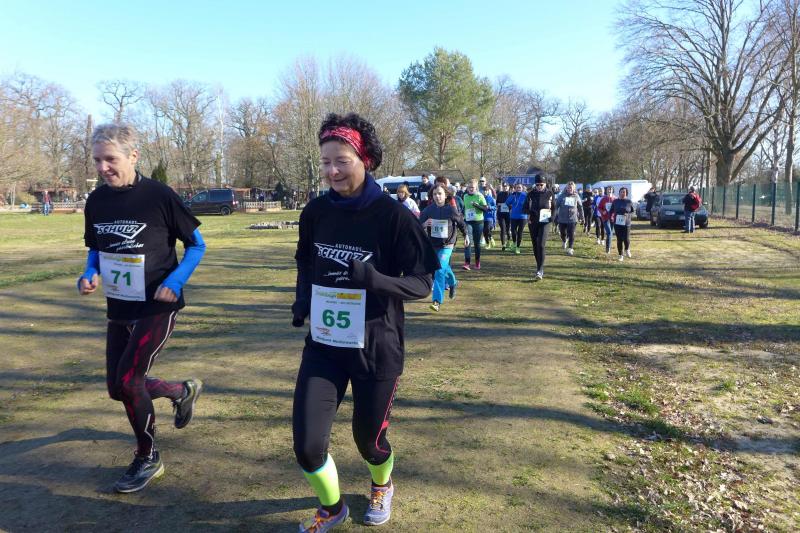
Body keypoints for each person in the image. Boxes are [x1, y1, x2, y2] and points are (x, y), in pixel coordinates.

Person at [291, 112, 439, 531]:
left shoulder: (393, 216)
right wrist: (302, 299)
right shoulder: (316, 212)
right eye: (325, 162)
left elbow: (423, 283)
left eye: (342, 161)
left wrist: (375, 280)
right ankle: (332, 508)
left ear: (365, 160)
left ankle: (382, 483)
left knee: (369, 442)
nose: (333, 171)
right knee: (307, 446)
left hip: (376, 347)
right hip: (325, 346)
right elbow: (305, 260)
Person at [78, 123, 205, 493]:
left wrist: (175, 281)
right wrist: (89, 273)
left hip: (157, 304)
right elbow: (96, 247)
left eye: (110, 159)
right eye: (97, 160)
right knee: (116, 388)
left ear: (133, 156)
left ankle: (148, 456)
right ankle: (180, 390)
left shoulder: (159, 196)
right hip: (120, 304)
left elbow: (196, 245)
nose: (102, 167)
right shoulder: (96, 201)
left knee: (130, 382)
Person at [418, 183, 467, 311]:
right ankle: (453, 282)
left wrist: (466, 235)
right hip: (433, 244)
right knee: (443, 267)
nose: (437, 196)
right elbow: (417, 226)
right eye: (435, 194)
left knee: (439, 270)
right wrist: (425, 224)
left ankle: (436, 301)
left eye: (440, 193)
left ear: (445, 195)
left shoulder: (451, 210)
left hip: (447, 245)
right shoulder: (428, 210)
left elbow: (461, 223)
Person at [523, 175, 555, 280]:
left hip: (545, 222)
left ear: (545, 184)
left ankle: (540, 270)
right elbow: (524, 208)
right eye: (537, 185)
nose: (539, 187)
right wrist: (529, 213)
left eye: (541, 185)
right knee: (535, 245)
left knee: (541, 244)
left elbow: (554, 208)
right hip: (533, 222)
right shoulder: (530, 194)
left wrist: (552, 218)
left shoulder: (550, 194)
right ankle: (539, 266)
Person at [461, 179, 488, 270]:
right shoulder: (465, 196)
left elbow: (485, 209)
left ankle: (477, 263)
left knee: (477, 243)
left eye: (472, 187)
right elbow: (464, 208)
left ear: (476, 188)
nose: (471, 189)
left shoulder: (480, 196)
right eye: (469, 187)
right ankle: (467, 263)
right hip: (468, 221)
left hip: (478, 222)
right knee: (467, 241)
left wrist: (477, 205)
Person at [555, 181, 584, 256]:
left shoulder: (576, 196)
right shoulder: (562, 196)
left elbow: (580, 207)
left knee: (571, 233)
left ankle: (570, 248)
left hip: (572, 218)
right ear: (566, 188)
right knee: (563, 233)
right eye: (568, 187)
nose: (570, 189)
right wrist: (554, 215)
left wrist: (582, 217)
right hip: (562, 218)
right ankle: (564, 241)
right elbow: (556, 206)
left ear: (574, 188)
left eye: (571, 188)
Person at [610, 186, 635, 260]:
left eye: (624, 192)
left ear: (626, 193)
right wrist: (611, 217)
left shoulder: (629, 202)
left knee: (626, 238)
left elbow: (632, 212)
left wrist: (628, 214)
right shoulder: (615, 201)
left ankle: (627, 249)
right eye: (621, 192)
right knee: (619, 239)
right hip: (617, 223)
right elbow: (611, 211)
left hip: (626, 223)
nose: (622, 193)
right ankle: (620, 255)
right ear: (619, 193)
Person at [505, 182, 528, 254]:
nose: (518, 189)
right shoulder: (513, 195)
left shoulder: (525, 195)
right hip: (513, 216)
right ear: (515, 188)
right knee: (513, 231)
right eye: (517, 187)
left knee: (520, 232)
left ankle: (518, 247)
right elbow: (507, 203)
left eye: (519, 187)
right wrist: (510, 206)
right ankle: (514, 243)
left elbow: (529, 204)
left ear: (522, 188)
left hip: (523, 217)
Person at [597, 186, 616, 254]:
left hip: (612, 218)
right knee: (609, 232)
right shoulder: (603, 199)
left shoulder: (615, 199)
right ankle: (608, 248)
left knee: (610, 233)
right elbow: (599, 207)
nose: (609, 190)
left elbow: (617, 207)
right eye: (608, 189)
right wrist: (602, 212)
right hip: (605, 218)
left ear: (612, 190)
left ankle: (609, 246)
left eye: (611, 189)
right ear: (606, 191)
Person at [495, 182, 511, 250]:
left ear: (508, 187)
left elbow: (513, 204)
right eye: (504, 186)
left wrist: (508, 205)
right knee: (503, 229)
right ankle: (503, 245)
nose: (505, 187)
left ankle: (508, 241)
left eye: (506, 186)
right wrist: (502, 204)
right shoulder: (499, 194)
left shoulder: (511, 194)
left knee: (508, 230)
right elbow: (497, 203)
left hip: (508, 214)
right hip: (501, 214)